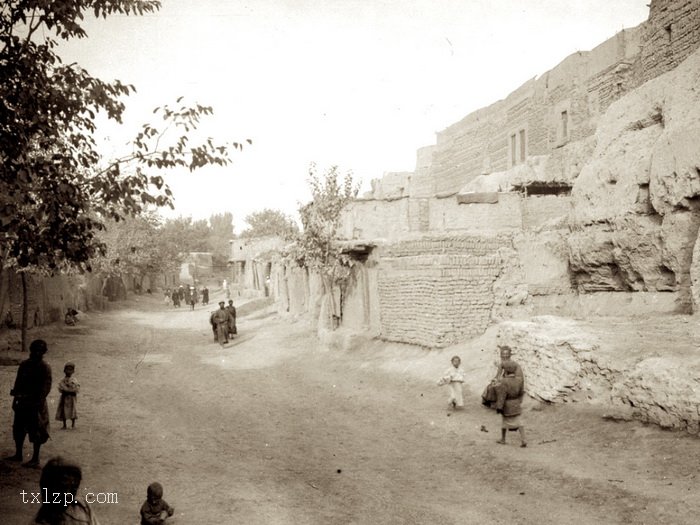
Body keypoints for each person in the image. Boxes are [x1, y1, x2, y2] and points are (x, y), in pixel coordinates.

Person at [7, 339, 52, 468]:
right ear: (31, 350)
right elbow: (18, 382)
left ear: (44, 352)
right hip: (22, 402)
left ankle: (35, 458)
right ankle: (18, 454)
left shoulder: (45, 367)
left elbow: (46, 387)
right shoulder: (24, 365)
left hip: (36, 404)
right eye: (35, 350)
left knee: (37, 431)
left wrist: (38, 402)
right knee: (18, 429)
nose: (37, 353)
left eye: (40, 351)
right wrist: (15, 399)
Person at [32, 456, 100, 524]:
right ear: (48, 488)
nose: (68, 494)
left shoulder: (81, 507)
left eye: (74, 488)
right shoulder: (41, 522)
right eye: (62, 488)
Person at [493, 353, 527, 448]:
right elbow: (521, 392)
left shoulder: (503, 382)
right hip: (516, 404)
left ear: (506, 371)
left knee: (504, 422)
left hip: (507, 405)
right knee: (519, 422)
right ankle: (523, 439)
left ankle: (503, 439)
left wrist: (499, 407)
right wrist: (519, 401)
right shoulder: (519, 380)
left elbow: (502, 396)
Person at [55, 362, 80, 430]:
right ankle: (64, 425)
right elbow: (60, 388)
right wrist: (66, 390)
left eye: (70, 370)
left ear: (73, 371)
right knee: (63, 410)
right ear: (64, 370)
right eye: (67, 369)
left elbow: (77, 388)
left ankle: (73, 424)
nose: (68, 371)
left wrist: (70, 390)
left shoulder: (74, 380)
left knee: (72, 410)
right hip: (64, 398)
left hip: (72, 398)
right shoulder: (62, 380)